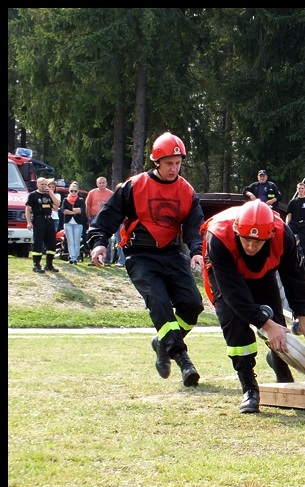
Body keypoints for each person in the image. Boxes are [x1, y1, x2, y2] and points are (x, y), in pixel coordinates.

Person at [86, 132, 205, 387]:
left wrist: (196, 251)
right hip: (140, 254)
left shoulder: (186, 191)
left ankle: (162, 341)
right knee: (159, 303)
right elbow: (107, 217)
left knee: (193, 305)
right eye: (169, 163)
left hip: (172, 253)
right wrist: (98, 244)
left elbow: (195, 226)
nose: (174, 168)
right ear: (157, 162)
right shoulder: (134, 186)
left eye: (178, 163)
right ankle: (182, 358)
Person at [202, 200, 305, 414]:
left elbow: (294, 277)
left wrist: (302, 318)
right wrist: (264, 323)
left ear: (271, 235)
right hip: (227, 277)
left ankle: (283, 375)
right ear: (238, 231)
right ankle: (249, 388)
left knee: (278, 326)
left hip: (263, 274)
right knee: (235, 325)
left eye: (258, 242)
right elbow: (234, 294)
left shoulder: (284, 235)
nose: (251, 246)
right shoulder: (218, 236)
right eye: (246, 239)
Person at [24, 177, 60, 273]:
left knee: (52, 242)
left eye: (45, 184)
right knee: (38, 242)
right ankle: (36, 264)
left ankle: (49, 264)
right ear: (37, 185)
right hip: (39, 219)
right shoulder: (33, 195)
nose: (44, 186)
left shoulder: (49, 194)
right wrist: (29, 222)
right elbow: (27, 209)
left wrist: (51, 194)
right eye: (42, 184)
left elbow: (57, 205)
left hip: (49, 219)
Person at [86, 176, 116, 263]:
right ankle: (93, 259)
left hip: (106, 218)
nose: (102, 184)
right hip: (94, 217)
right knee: (93, 237)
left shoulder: (110, 193)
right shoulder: (92, 192)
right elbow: (88, 205)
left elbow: (114, 206)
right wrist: (88, 217)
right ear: (97, 184)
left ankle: (106, 260)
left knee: (107, 238)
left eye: (103, 182)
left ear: (106, 183)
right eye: (100, 183)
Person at [285, 181, 305, 260]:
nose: (301, 190)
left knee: (304, 246)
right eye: (299, 188)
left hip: (304, 225)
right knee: (291, 244)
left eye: (302, 188)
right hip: (294, 225)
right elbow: (289, 215)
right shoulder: (293, 202)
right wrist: (286, 226)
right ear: (297, 190)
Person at [61, 181, 88, 264]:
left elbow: (82, 210)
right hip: (68, 222)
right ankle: (72, 257)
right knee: (70, 241)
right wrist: (75, 211)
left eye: (75, 191)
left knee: (77, 241)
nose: (73, 192)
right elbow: (64, 210)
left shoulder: (80, 200)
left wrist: (71, 210)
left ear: (78, 191)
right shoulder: (65, 200)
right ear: (69, 191)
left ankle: (75, 257)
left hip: (78, 223)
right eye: (71, 191)